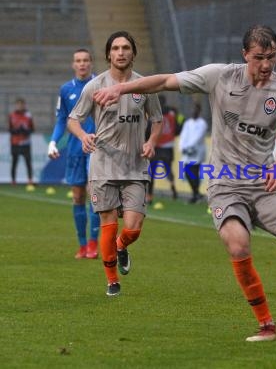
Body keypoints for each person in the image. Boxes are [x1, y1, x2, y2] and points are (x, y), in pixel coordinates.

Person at [92, 24, 276, 342]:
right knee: (238, 243)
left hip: (263, 183)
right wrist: (122, 89)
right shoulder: (219, 76)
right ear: (245, 55)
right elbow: (166, 81)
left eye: (272, 57)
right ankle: (266, 325)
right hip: (225, 185)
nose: (266, 65)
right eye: (259, 57)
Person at [67, 31, 163, 296]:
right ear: (109, 54)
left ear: (133, 53)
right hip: (103, 165)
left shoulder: (145, 85)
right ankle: (112, 281)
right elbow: (73, 119)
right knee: (107, 224)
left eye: (126, 48)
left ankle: (122, 246)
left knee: (133, 227)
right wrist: (83, 134)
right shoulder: (95, 85)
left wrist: (152, 141)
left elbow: (157, 119)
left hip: (135, 166)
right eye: (116, 48)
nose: (121, 53)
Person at [47, 48, 100, 259]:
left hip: (97, 149)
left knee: (94, 195)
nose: (82, 64)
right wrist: (52, 141)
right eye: (78, 61)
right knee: (77, 197)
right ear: (73, 64)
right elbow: (62, 119)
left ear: (91, 63)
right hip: (75, 149)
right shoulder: (66, 89)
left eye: (86, 60)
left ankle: (94, 243)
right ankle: (82, 244)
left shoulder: (101, 85)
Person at [146, 95, 178, 204]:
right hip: (168, 146)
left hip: (156, 145)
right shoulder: (172, 113)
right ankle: (173, 188)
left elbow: (149, 128)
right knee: (168, 169)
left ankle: (149, 196)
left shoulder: (154, 113)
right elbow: (177, 128)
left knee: (152, 173)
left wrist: (147, 141)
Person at [179, 102, 208, 203]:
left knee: (194, 173)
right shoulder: (188, 123)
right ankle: (196, 193)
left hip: (197, 152)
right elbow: (183, 136)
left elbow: (198, 137)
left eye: (195, 109)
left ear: (199, 111)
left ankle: (195, 194)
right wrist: (183, 147)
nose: (193, 111)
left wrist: (190, 146)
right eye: (192, 109)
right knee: (187, 172)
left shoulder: (202, 123)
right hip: (187, 152)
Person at [8, 98, 34, 186]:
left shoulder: (28, 115)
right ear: (16, 105)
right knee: (14, 161)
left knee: (28, 161)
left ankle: (30, 180)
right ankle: (13, 180)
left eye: (22, 104)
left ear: (24, 105)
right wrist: (15, 131)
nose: (20, 106)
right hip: (15, 142)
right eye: (18, 104)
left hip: (26, 143)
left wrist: (26, 131)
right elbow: (10, 129)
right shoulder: (12, 115)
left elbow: (32, 129)